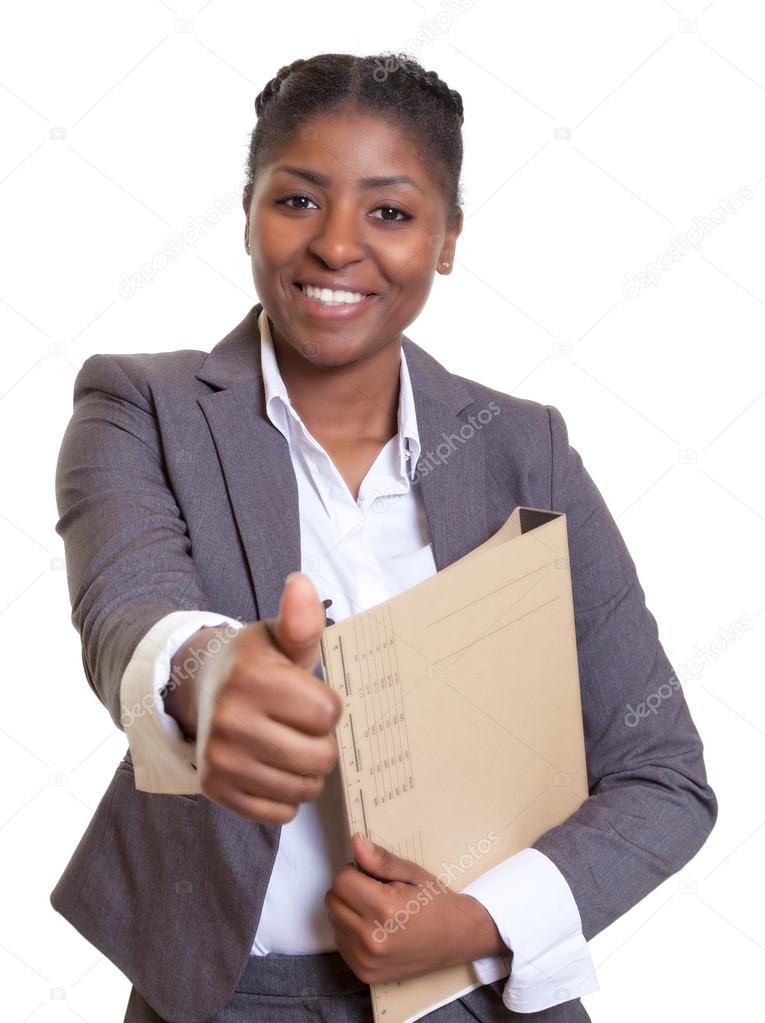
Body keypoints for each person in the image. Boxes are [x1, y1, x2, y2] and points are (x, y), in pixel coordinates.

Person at [51, 52, 717, 1023]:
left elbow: (662, 777)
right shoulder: (139, 407)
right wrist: (211, 671)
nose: (335, 246)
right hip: (234, 999)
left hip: (481, 998)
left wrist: (479, 922)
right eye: (297, 201)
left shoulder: (524, 451)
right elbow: (129, 613)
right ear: (247, 211)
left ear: (447, 240)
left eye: (392, 213)